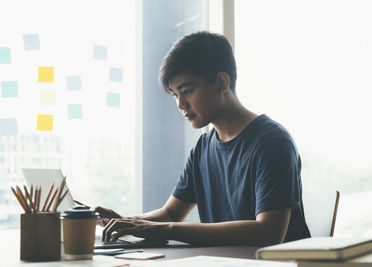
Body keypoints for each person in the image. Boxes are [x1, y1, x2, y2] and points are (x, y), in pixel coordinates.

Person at [96, 31, 310, 246]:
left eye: (187, 91)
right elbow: (170, 214)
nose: (180, 104)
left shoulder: (272, 143)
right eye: (175, 95)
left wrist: (166, 230)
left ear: (221, 83)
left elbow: (268, 233)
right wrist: (124, 221)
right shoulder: (203, 147)